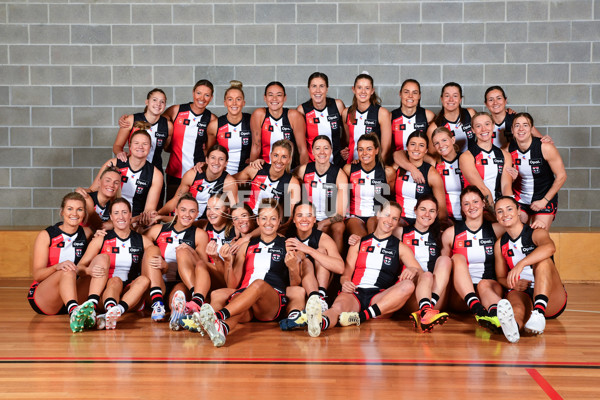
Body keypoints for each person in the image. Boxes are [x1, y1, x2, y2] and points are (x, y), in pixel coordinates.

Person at [304, 202, 420, 337]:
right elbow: (345, 274)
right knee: (337, 309)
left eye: (395, 218)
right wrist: (345, 282)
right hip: (355, 292)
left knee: (407, 285)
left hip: (380, 298)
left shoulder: (401, 247)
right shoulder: (358, 243)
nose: (390, 221)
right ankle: (319, 323)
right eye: (387, 215)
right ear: (378, 214)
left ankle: (361, 317)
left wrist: (413, 270)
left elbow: (418, 270)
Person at [196, 200, 302, 347]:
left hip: (270, 302)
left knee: (258, 284)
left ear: (279, 221)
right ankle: (222, 329)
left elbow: (295, 284)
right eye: (264, 218)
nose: (268, 223)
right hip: (246, 299)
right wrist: (228, 262)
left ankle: (217, 316)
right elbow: (233, 284)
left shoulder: (287, 244)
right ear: (257, 221)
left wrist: (292, 268)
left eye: (273, 218)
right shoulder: (246, 245)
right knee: (233, 295)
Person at [493, 196, 568, 343]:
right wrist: (512, 284)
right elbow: (500, 277)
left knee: (543, 262)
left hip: (551, 297)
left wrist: (520, 264)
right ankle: (514, 328)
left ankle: (539, 313)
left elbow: (550, 248)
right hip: (524, 291)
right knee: (515, 306)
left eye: (509, 209)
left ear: (519, 211)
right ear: (496, 216)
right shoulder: (500, 244)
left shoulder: (536, 232)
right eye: (500, 211)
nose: (505, 214)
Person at [76, 198, 153, 330]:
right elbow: (79, 268)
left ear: (130, 215)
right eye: (116, 213)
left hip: (129, 296)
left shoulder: (142, 240)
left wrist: (163, 264)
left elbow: (158, 264)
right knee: (115, 280)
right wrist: (89, 271)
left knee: (144, 280)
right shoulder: (101, 239)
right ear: (111, 217)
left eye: (124, 212)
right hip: (104, 293)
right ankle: (110, 310)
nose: (121, 216)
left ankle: (115, 311)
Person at [27, 193, 95, 330]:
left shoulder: (87, 233)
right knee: (68, 270)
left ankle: (97, 311)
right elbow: (37, 275)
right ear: (62, 212)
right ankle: (74, 312)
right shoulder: (47, 235)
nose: (74, 213)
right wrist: (57, 267)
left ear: (84, 214)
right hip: (44, 297)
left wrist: (100, 237)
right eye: (70, 209)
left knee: (97, 269)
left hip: (71, 295)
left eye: (79, 209)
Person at [441, 186, 505, 331]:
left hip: (488, 288)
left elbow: (520, 233)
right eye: (466, 203)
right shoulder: (450, 233)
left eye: (475, 201)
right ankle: (477, 307)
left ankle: (499, 319)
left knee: (484, 285)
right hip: (461, 296)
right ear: (462, 208)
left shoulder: (497, 230)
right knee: (457, 258)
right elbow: (443, 270)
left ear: (483, 203)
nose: (471, 207)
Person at [142, 194, 209, 330]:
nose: (187, 215)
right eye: (183, 210)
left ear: (197, 213)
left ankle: (178, 316)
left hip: (182, 283)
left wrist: (190, 251)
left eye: (192, 211)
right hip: (157, 282)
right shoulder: (157, 230)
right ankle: (158, 303)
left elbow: (202, 267)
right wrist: (164, 267)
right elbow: (139, 252)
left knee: (179, 295)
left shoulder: (199, 234)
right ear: (176, 211)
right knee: (151, 249)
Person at [279, 203, 345, 330]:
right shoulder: (288, 239)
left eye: (309, 215)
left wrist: (308, 250)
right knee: (304, 259)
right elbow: (294, 281)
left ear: (314, 219)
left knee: (320, 252)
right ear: (293, 220)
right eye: (300, 215)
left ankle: (319, 299)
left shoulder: (323, 238)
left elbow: (340, 267)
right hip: (298, 286)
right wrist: (301, 254)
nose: (304, 219)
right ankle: (313, 300)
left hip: (321, 284)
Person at [401, 196, 452, 332]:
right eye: (423, 209)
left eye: (432, 211)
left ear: (436, 214)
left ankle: (426, 310)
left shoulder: (439, 236)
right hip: (410, 291)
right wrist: (356, 238)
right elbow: (379, 234)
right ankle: (425, 311)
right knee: (427, 275)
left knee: (445, 260)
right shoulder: (400, 232)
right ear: (415, 210)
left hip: (434, 292)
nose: (427, 214)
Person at [508, 113, 566, 230]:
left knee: (538, 234)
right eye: (517, 125)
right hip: (521, 199)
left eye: (525, 125)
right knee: (518, 233)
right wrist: (512, 179)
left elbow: (562, 176)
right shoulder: (508, 149)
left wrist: (544, 201)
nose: (521, 129)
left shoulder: (545, 147)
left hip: (543, 198)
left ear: (531, 129)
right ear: (512, 130)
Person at [88, 130, 163, 219]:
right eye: (136, 143)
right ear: (130, 146)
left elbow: (148, 210)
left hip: (133, 220)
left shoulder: (156, 174)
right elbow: (92, 190)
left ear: (150, 147)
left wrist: (135, 222)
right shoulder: (114, 163)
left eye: (145, 144)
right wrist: (81, 192)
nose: (140, 147)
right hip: (106, 215)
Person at [295, 135, 348, 253]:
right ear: (312, 151)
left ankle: (335, 264)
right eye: (318, 148)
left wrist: (322, 223)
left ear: (331, 150)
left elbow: (340, 214)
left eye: (326, 148)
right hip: (307, 217)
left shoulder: (339, 174)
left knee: (339, 227)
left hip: (329, 220)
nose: (322, 152)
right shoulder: (302, 170)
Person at [156, 145, 237, 220]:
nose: (216, 162)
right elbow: (176, 200)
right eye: (213, 158)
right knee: (156, 220)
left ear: (226, 163)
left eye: (221, 159)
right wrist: (157, 213)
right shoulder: (192, 175)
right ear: (206, 160)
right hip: (184, 219)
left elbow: (234, 210)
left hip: (206, 223)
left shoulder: (229, 183)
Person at [344, 133, 396, 238]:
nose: (364, 153)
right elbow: (343, 195)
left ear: (376, 150)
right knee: (362, 241)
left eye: (369, 149)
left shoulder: (388, 172)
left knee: (373, 236)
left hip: (377, 215)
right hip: (355, 216)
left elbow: (391, 195)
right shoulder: (349, 169)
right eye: (361, 149)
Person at [235, 139, 301, 219]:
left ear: (289, 159)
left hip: (269, 222)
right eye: (276, 155)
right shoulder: (256, 169)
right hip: (247, 218)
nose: (279, 161)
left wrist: (279, 226)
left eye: (284, 157)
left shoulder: (292, 183)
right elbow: (229, 182)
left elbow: (290, 217)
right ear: (271, 155)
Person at [459, 112, 513, 207]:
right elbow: (482, 189)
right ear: (473, 130)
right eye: (478, 126)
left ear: (493, 126)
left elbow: (506, 187)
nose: (484, 129)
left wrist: (510, 208)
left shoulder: (505, 156)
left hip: (499, 206)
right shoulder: (466, 157)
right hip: (476, 208)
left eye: (487, 124)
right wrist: (495, 213)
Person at [394, 130, 447, 225]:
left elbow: (442, 209)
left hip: (422, 222)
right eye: (413, 144)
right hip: (400, 219)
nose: (416, 149)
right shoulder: (396, 167)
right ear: (407, 147)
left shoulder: (432, 174)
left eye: (421, 145)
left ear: (426, 150)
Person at [114, 88, 173, 173]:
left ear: (165, 105)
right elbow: (117, 146)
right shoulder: (131, 120)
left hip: (155, 170)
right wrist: (120, 153)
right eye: (154, 100)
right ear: (147, 102)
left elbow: (167, 148)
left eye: (162, 101)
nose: (158, 104)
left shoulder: (168, 125)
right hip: (132, 169)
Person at [250, 81, 308, 167]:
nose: (274, 98)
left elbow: (302, 149)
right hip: (265, 168)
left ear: (285, 98)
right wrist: (252, 169)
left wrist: (303, 173)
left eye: (279, 95)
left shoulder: (294, 116)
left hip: (288, 171)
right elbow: (256, 147)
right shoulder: (259, 115)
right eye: (270, 95)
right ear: (265, 98)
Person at [391, 79, 436, 183]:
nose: (410, 96)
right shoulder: (391, 117)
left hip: (421, 159)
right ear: (400, 94)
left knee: (435, 166)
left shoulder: (428, 116)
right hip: (398, 160)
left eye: (414, 93)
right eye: (406, 92)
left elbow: (432, 146)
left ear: (419, 95)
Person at [297, 72, 347, 166]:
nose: (318, 90)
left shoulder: (338, 105)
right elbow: (300, 143)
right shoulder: (302, 110)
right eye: (314, 86)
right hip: (313, 163)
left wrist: (345, 149)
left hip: (337, 163)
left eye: (322, 86)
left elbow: (347, 133)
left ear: (327, 89)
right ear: (309, 89)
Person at [342, 73, 392, 164]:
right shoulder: (346, 113)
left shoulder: (382, 113)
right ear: (354, 89)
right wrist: (344, 151)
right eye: (359, 87)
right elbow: (348, 141)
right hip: (351, 164)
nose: (363, 91)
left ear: (372, 91)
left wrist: (377, 169)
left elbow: (386, 148)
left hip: (373, 164)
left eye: (367, 88)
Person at [206, 80, 252, 175]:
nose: (234, 103)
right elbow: (209, 152)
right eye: (230, 99)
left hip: (247, 176)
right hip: (223, 176)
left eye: (238, 99)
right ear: (225, 103)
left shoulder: (252, 121)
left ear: (243, 103)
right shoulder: (215, 125)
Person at [426, 82, 476, 154]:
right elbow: (433, 155)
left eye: (455, 96)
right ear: (442, 99)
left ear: (460, 99)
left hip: (472, 162)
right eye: (447, 96)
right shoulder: (434, 127)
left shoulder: (470, 114)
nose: (451, 99)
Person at [431, 127, 465, 221]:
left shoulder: (466, 159)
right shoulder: (434, 164)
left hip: (469, 215)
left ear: (453, 140)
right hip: (446, 218)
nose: (441, 145)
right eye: (436, 143)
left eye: (444, 140)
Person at [78, 165, 121, 231]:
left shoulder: (112, 205)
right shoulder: (86, 198)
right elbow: (99, 226)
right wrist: (114, 224)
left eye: (116, 183)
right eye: (108, 180)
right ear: (99, 182)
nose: (111, 185)